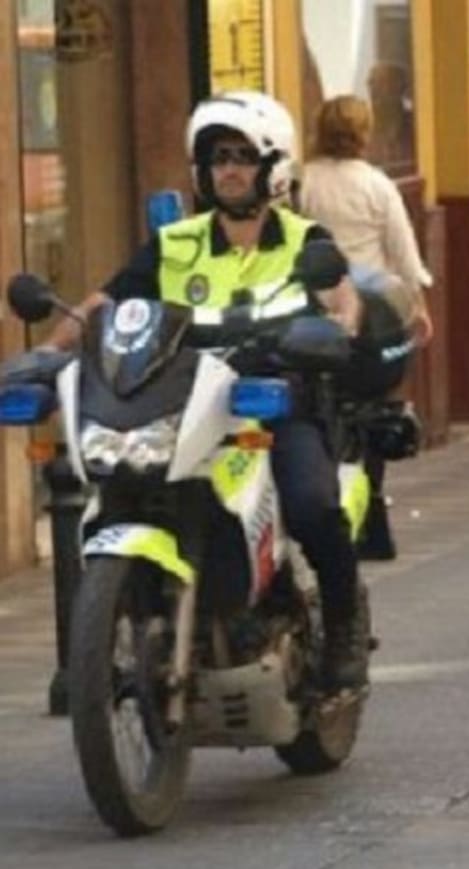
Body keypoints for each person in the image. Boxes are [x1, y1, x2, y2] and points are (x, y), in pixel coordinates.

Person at [38, 91, 371, 692]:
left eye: (244, 157)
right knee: (130, 482)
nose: (230, 170)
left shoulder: (303, 240)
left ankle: (344, 622)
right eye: (219, 158)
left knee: (312, 504)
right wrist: (47, 352)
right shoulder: (175, 244)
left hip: (273, 407)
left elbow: (343, 302)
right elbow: (104, 304)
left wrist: (336, 330)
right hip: (185, 404)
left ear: (273, 167)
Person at [300, 94, 434, 347]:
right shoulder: (377, 185)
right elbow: (404, 254)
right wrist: (419, 307)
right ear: (365, 134)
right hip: (371, 308)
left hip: (316, 305)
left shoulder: (305, 182)